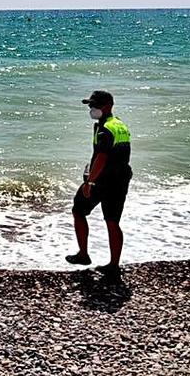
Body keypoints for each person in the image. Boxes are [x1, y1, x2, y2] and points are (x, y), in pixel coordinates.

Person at [65, 91, 132, 277]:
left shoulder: (104, 129)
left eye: (95, 106)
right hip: (121, 178)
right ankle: (113, 265)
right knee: (112, 221)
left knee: (78, 210)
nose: (92, 109)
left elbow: (102, 157)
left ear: (108, 106)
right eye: (90, 106)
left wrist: (90, 182)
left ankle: (83, 254)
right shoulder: (120, 125)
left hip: (102, 180)